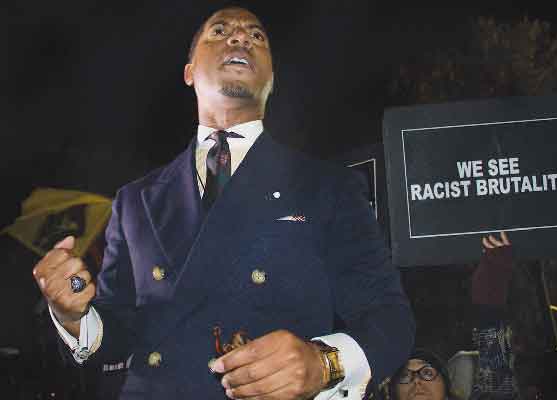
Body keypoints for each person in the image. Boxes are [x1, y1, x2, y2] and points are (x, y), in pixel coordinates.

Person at [32, 5, 415, 399]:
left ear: (271, 77)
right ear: (189, 71)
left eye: (257, 36)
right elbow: (115, 332)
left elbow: (389, 317)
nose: (240, 37)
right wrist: (71, 315)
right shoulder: (135, 200)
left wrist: (324, 363)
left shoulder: (328, 187)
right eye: (220, 31)